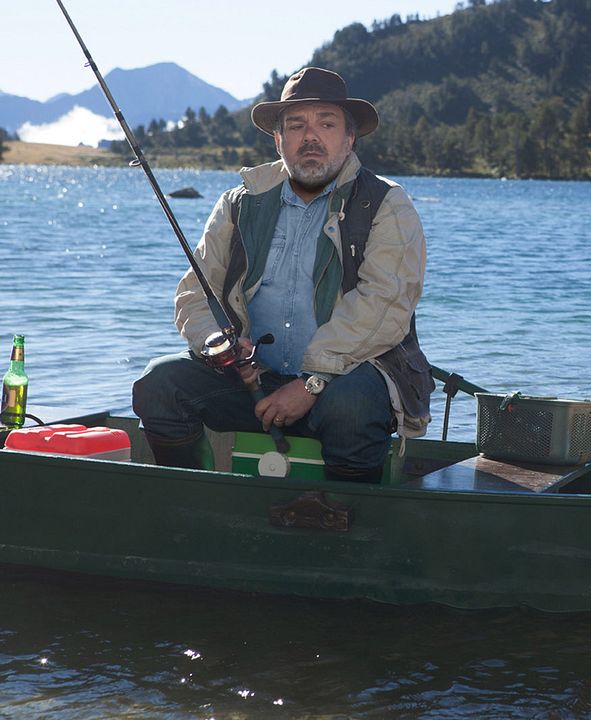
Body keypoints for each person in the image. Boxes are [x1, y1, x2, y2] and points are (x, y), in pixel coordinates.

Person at [133, 67, 434, 482]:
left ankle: (343, 521)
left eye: (326, 124)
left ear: (349, 139)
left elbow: (384, 305)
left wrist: (312, 382)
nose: (311, 137)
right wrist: (215, 344)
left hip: (339, 382)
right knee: (159, 383)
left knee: (353, 406)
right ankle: (190, 500)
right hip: (250, 384)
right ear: (278, 139)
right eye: (296, 125)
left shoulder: (386, 204)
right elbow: (194, 293)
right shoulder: (239, 203)